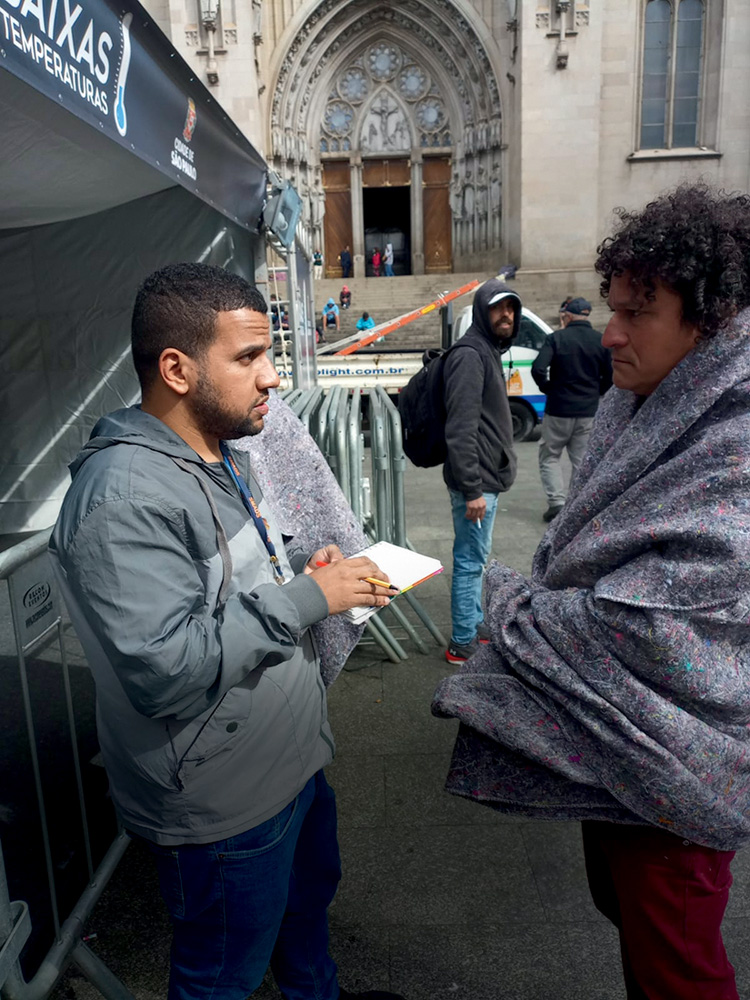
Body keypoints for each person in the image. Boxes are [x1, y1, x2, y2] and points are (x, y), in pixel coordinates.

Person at [49, 262, 404, 1000]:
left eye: (268, 354)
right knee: (219, 978)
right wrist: (309, 597)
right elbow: (164, 667)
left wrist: (309, 567)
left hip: (292, 764)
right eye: (248, 358)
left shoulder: (223, 451)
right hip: (223, 804)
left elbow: (240, 585)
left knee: (305, 932)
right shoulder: (121, 495)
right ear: (176, 369)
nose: (272, 377)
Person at [433, 183, 750, 1000]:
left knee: (679, 964)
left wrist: (512, 606)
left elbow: (652, 624)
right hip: (617, 749)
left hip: (678, 762)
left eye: (637, 312)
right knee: (630, 921)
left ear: (709, 320)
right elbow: (586, 535)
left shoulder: (734, 438)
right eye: (611, 307)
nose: (609, 333)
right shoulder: (642, 399)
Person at [442, 278, 519, 664]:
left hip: (486, 477)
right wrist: (472, 488)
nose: (505, 315)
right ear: (482, 311)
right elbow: (460, 426)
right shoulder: (471, 355)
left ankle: (471, 624)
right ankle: (460, 641)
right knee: (470, 562)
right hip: (478, 482)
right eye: (497, 308)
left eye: (511, 308)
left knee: (476, 559)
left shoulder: (486, 350)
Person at [531, 296, 612, 522]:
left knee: (550, 456)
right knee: (581, 459)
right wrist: (596, 391)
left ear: (566, 316)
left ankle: (557, 503)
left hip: (558, 408)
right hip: (588, 410)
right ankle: (579, 505)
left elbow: (538, 368)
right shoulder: (600, 340)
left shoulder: (556, 338)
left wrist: (548, 388)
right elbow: (612, 374)